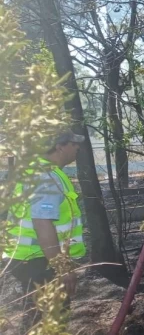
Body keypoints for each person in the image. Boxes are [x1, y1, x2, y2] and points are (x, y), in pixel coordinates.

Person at [2, 130, 87, 332]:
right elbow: (43, 223)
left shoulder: (37, 170)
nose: (78, 148)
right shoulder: (46, 177)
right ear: (59, 147)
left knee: (38, 320)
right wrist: (62, 268)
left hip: (32, 259)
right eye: (74, 144)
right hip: (40, 261)